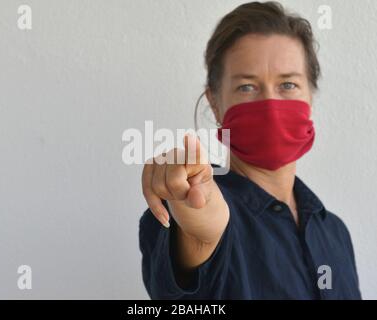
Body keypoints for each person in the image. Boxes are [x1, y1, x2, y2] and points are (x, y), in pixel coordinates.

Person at [139, 1, 362, 299]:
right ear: (215, 103)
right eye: (247, 87)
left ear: (311, 95)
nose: (270, 103)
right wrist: (197, 227)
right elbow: (198, 237)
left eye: (288, 84)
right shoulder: (189, 206)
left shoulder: (335, 231)